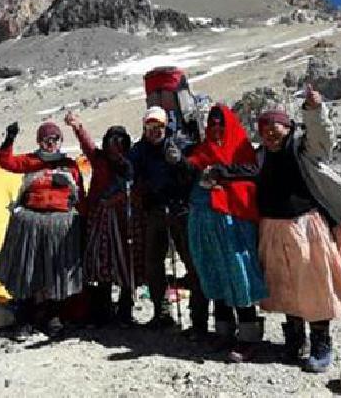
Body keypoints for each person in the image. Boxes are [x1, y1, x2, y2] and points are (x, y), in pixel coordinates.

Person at [252, 85, 341, 372]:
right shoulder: (260, 156)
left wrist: (314, 111)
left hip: (307, 227)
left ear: (287, 126)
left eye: (274, 127)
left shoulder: (302, 148)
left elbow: (323, 139)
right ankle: (294, 340)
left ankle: (320, 343)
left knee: (313, 284)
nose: (269, 133)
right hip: (272, 229)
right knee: (283, 284)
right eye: (264, 128)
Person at [166, 104, 269, 362]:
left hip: (233, 225)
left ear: (229, 124)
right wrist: (177, 161)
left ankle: (248, 336)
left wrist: (223, 174)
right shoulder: (203, 150)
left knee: (238, 274)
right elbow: (188, 172)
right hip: (205, 222)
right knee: (214, 273)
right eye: (211, 124)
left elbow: (252, 174)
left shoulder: (241, 149)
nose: (215, 128)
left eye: (220, 123)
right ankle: (224, 332)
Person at [0, 120, 86, 340]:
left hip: (60, 224)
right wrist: (9, 139)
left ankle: (53, 318)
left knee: (56, 272)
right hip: (30, 223)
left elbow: (79, 193)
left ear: (60, 141)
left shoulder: (69, 164)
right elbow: (6, 162)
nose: (50, 143)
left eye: (55, 139)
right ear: (39, 141)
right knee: (28, 269)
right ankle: (25, 319)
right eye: (46, 139)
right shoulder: (31, 161)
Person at [127, 106, 208, 337]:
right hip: (155, 211)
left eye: (159, 126)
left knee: (192, 264)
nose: (155, 130)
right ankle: (161, 313)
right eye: (151, 127)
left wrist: (180, 161)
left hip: (180, 210)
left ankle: (198, 319)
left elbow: (193, 172)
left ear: (166, 126)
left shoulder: (179, 144)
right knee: (154, 263)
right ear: (145, 128)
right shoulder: (140, 150)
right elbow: (129, 169)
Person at [64, 111, 141, 327]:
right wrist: (77, 127)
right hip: (100, 219)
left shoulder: (131, 165)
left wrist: (116, 199)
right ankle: (103, 310)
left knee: (126, 263)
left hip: (125, 220)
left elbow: (136, 189)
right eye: (111, 142)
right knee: (101, 264)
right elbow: (87, 146)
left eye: (120, 143)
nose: (115, 148)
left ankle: (125, 310)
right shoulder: (100, 161)